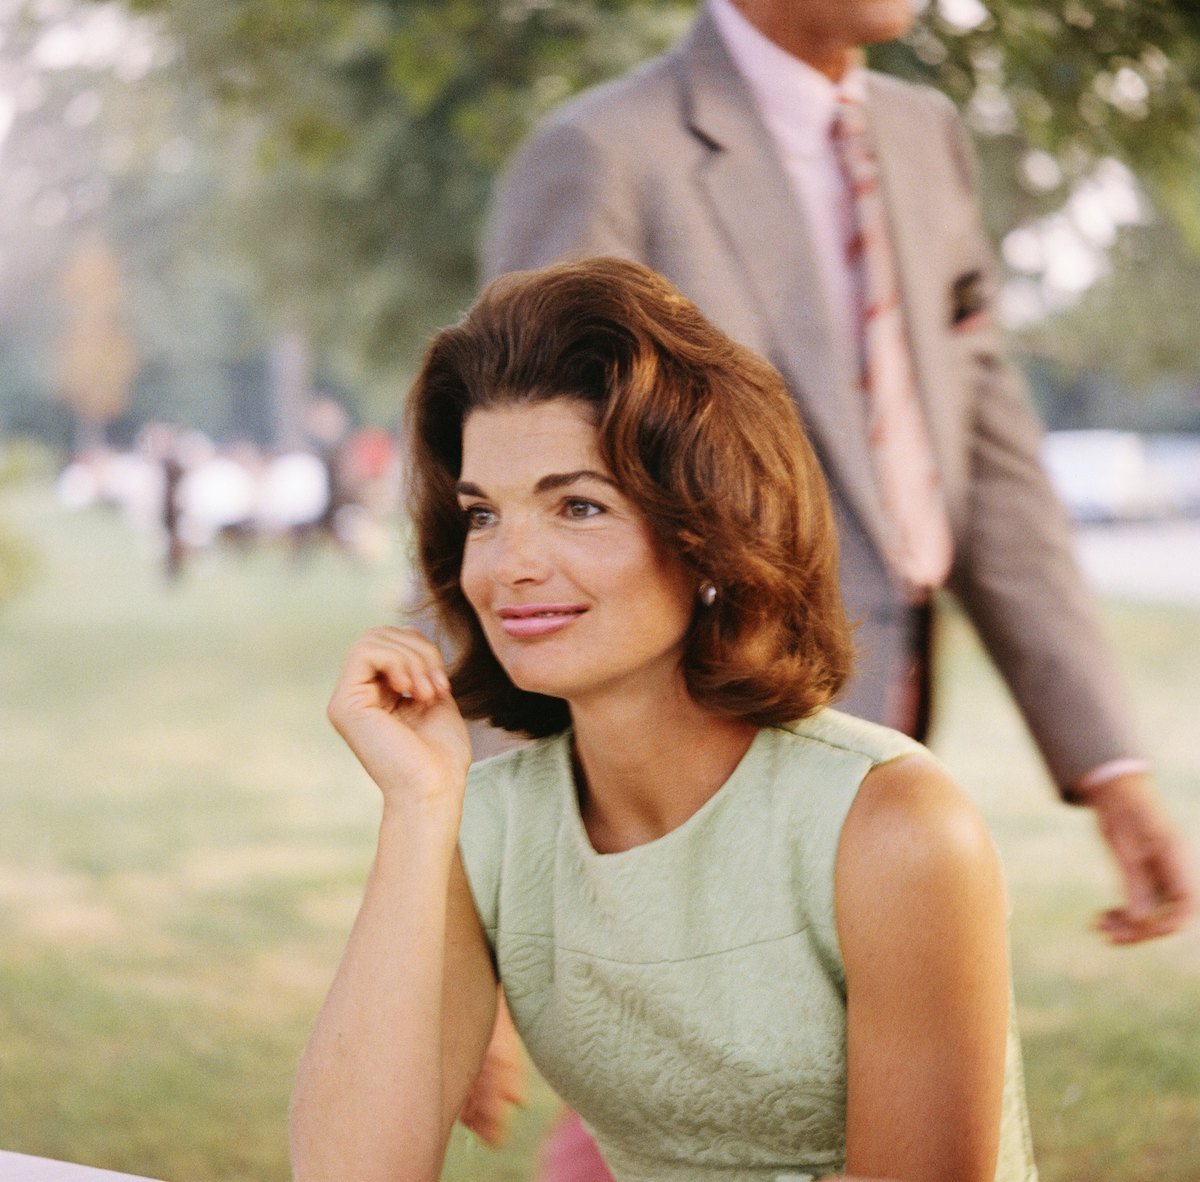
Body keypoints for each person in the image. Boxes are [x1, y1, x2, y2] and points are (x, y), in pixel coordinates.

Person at [289, 257, 1037, 1181]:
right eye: (484, 514)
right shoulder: (486, 827)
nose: (509, 566)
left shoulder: (896, 830)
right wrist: (415, 808)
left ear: (707, 531)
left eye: (578, 505)